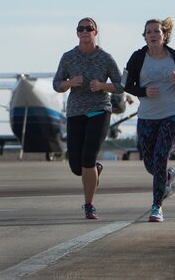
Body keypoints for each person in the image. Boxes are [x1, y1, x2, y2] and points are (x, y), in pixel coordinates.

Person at [123, 17, 175, 222]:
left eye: (157, 31)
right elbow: (125, 85)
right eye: (149, 32)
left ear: (165, 36)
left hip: (172, 116)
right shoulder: (137, 58)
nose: (153, 35)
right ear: (145, 37)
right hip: (147, 117)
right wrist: (143, 91)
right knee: (151, 165)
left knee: (160, 157)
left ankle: (157, 207)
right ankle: (167, 176)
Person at [53, 17, 124, 219]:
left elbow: (120, 85)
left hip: (99, 110)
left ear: (95, 32)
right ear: (77, 33)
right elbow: (56, 84)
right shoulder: (68, 57)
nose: (85, 31)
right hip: (76, 112)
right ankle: (94, 171)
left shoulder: (106, 58)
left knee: (88, 157)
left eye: (89, 28)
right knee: (77, 167)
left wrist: (103, 86)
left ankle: (89, 205)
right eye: (81, 29)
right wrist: (70, 82)